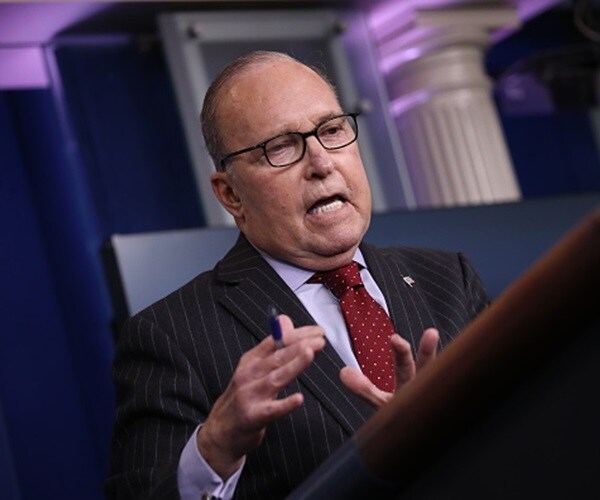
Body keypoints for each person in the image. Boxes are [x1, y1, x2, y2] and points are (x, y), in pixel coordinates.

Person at [105, 50, 489, 500]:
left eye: (331, 130)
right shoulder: (171, 336)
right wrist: (214, 449)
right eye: (281, 147)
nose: (322, 164)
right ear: (230, 194)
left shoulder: (447, 278)